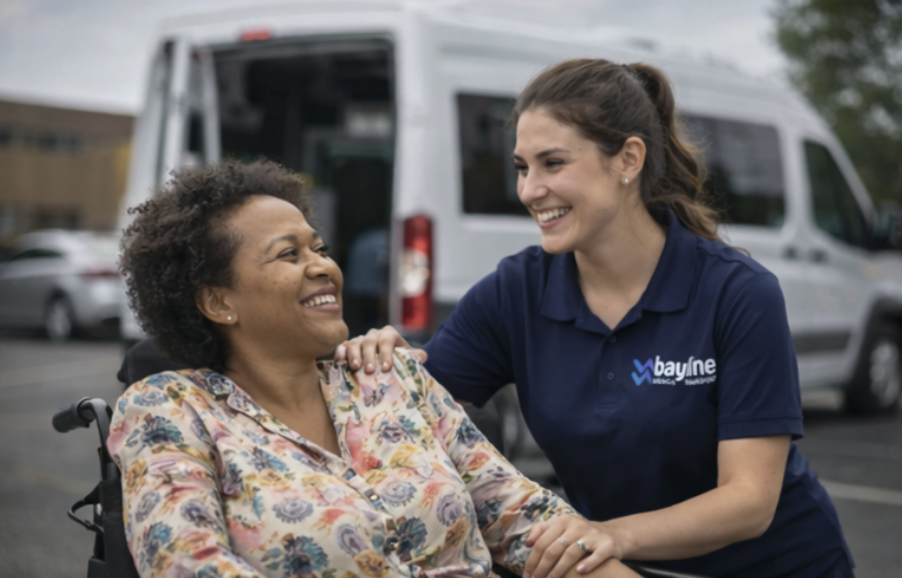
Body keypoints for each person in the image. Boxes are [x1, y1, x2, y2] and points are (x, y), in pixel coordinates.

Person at [339, 59, 854, 578]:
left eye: (553, 163)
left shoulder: (738, 292)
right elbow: (413, 404)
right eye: (522, 167)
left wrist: (610, 534)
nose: (529, 190)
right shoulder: (516, 291)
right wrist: (384, 360)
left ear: (628, 159)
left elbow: (749, 501)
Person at [108, 160, 641, 578]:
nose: (322, 265)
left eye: (318, 247)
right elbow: (186, 564)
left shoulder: (391, 379)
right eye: (288, 255)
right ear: (219, 302)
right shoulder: (168, 410)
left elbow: (522, 519)